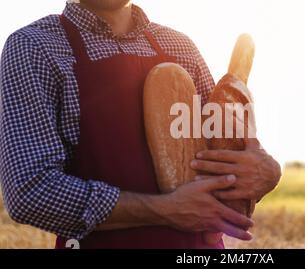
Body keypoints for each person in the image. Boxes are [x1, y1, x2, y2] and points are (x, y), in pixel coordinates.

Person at [0, 0, 281, 249]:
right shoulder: (34, 48)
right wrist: (164, 210)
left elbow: (226, 155)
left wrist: (266, 173)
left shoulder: (180, 46)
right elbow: (30, 192)